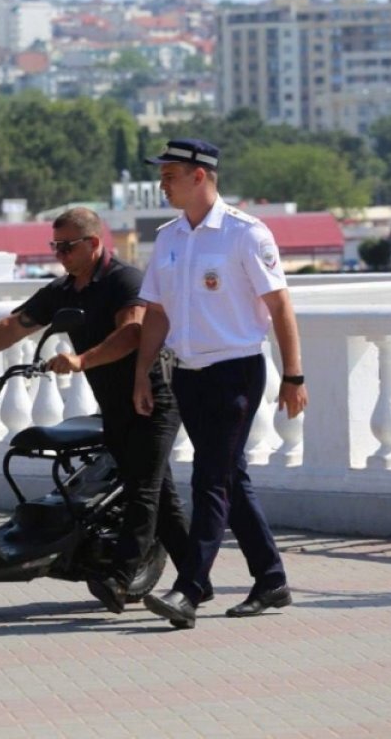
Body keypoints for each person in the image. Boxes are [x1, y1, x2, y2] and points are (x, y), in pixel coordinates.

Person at [0, 207, 201, 615]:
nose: (59, 254)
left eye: (67, 247)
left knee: (143, 489)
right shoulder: (65, 289)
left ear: (94, 243)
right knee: (161, 497)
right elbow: (17, 324)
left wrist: (81, 360)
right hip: (114, 403)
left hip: (154, 395)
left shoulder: (123, 280)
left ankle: (118, 578)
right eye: (55, 246)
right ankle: (196, 578)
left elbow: (132, 332)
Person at [134, 139, 308, 629]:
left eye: (170, 174)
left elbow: (280, 306)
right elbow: (156, 313)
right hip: (187, 375)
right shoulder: (168, 237)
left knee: (209, 479)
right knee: (232, 476)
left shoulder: (244, 234)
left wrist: (293, 375)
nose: (162, 184)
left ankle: (190, 589)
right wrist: (142, 373)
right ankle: (271, 579)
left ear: (200, 176)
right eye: (161, 174)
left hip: (236, 371)